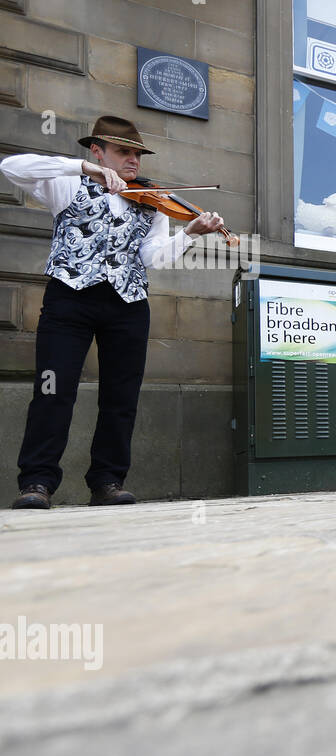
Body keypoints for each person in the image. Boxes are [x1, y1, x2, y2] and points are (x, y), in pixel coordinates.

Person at [2, 116, 227, 510]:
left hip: (127, 304)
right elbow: (11, 167)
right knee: (53, 390)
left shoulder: (150, 199)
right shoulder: (68, 183)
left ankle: (107, 481)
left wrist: (189, 234)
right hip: (69, 299)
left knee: (120, 397)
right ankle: (37, 481)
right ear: (97, 151)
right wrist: (82, 168)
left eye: (138, 154)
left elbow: (152, 258)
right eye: (124, 151)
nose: (134, 160)